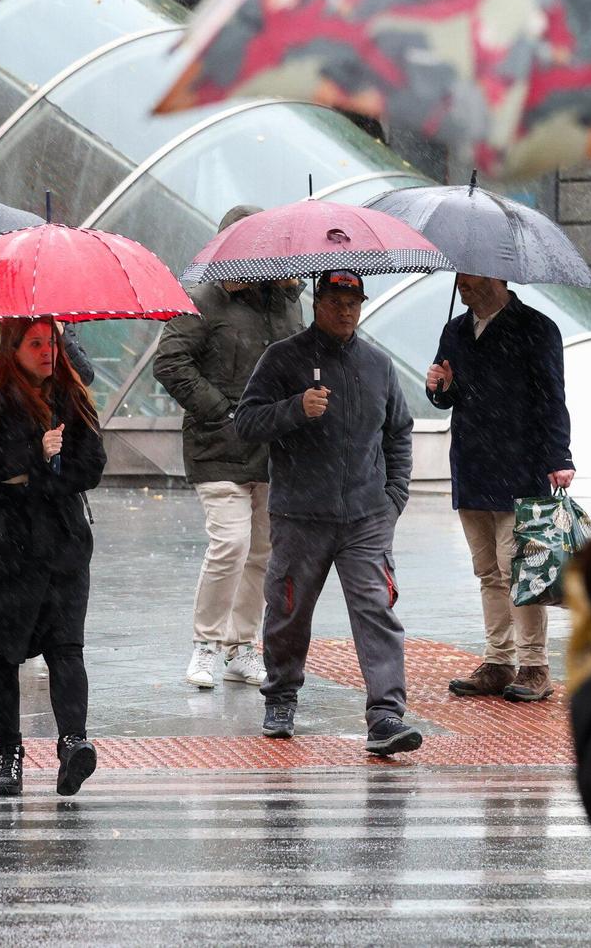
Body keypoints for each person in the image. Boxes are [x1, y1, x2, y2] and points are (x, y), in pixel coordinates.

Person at [234, 270, 420, 756]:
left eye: (353, 302)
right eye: (336, 300)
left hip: (366, 518)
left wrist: (393, 496)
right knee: (288, 611)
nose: (345, 310)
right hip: (300, 515)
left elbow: (399, 430)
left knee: (376, 610)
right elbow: (247, 423)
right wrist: (296, 407)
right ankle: (281, 697)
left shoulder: (378, 364)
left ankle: (385, 716)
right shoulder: (282, 358)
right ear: (317, 301)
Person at [153, 205, 303, 690]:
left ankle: (241, 645)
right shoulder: (199, 300)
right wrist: (222, 411)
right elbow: (170, 363)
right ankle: (206, 643)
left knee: (262, 549)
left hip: (273, 446)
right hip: (218, 445)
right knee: (230, 544)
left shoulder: (287, 300)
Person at [0, 318, 106, 798]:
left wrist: (43, 476)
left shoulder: (72, 394)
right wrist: (33, 454)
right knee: (1, 654)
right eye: (36, 343)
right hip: (1, 545)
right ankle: (8, 756)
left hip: (61, 541)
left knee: (67, 646)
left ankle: (73, 744)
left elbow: (92, 464)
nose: (47, 352)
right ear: (14, 347)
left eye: (53, 342)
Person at [425, 273, 574, 704]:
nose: (461, 284)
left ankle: (534, 665)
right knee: (487, 572)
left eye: (469, 275)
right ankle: (497, 660)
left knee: (520, 572)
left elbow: (552, 397)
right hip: (472, 464)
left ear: (495, 274)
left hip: (520, 466)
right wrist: (439, 386)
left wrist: (558, 458)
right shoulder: (455, 329)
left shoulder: (536, 327)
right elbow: (443, 395)